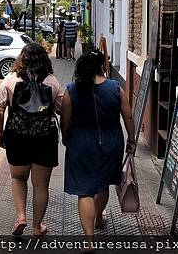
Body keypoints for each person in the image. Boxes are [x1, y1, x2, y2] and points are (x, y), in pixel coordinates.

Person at [61, 50, 136, 239]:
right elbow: (128, 116)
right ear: (102, 66)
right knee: (102, 185)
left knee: (84, 191)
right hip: (111, 143)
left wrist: (66, 138)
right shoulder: (116, 88)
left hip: (80, 143)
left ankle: (89, 240)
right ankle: (99, 217)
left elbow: (66, 121)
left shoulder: (71, 90)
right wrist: (132, 139)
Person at [0, 43, 64, 237]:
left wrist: (0, 132)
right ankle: (37, 227)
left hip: (17, 135)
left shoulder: (10, 79)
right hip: (45, 137)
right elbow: (61, 108)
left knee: (18, 177)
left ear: (21, 59)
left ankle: (21, 217)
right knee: (40, 186)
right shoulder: (52, 81)